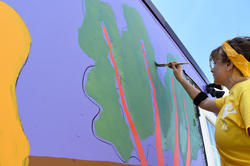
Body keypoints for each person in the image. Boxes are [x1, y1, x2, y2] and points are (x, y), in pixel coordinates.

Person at [169, 37, 250, 166]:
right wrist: (181, 78)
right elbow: (204, 102)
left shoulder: (246, 91)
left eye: (215, 63)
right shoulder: (231, 98)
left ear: (229, 64)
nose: (212, 69)